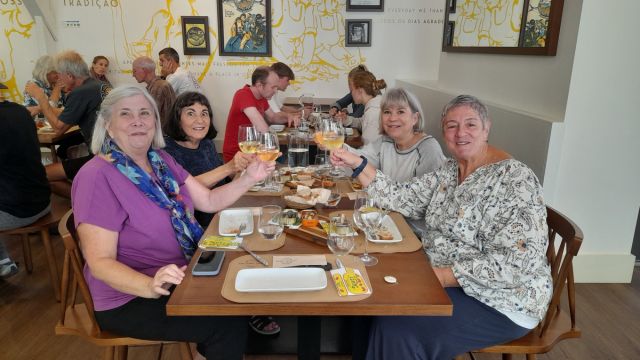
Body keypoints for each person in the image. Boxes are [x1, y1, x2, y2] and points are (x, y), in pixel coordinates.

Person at [331, 95, 552, 359]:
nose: (460, 134)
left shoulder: (516, 179)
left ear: (486, 128)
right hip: (442, 277)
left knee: (397, 329)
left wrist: (441, 277)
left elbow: (518, 263)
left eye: (470, 125)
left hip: (500, 300)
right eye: (451, 126)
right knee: (369, 304)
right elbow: (402, 197)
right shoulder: (449, 170)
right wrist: (356, 163)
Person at [72, 85, 275, 359]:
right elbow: (100, 263)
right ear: (107, 125)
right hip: (130, 297)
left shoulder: (160, 160)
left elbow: (209, 201)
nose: (138, 121)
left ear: (155, 121)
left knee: (238, 290)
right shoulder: (96, 176)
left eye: (145, 113)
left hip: (180, 273)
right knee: (226, 321)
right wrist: (149, 284)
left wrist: (251, 177)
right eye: (126, 114)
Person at [331, 88, 446, 236]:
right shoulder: (386, 141)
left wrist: (354, 160)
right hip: (384, 222)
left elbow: (420, 207)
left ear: (415, 118)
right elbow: (364, 158)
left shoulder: (429, 149)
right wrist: (338, 147)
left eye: (400, 112)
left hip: (413, 234)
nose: (392, 118)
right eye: (387, 112)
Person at [25, 50, 109, 198]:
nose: (58, 79)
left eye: (60, 75)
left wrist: (41, 98)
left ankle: (90, 201)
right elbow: (69, 113)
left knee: (41, 175)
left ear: (70, 75)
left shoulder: (80, 92)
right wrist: (41, 108)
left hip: (103, 158)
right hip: (117, 153)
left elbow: (58, 128)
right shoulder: (98, 85)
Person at [163, 91, 250, 227]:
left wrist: (245, 166)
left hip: (224, 215)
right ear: (177, 119)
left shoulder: (206, 143)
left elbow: (223, 179)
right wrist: (229, 167)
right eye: (191, 113)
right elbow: (182, 189)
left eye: (204, 113)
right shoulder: (166, 151)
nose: (200, 120)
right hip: (196, 226)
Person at [0, 83, 51, 278]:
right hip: (42, 200)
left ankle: (2, 262)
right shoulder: (20, 111)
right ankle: (3, 261)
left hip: (19, 210)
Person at [222, 66, 300, 162]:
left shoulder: (262, 97)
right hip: (237, 156)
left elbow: (273, 117)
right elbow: (262, 128)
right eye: (273, 87)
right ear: (259, 85)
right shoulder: (243, 94)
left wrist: (289, 116)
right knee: (289, 157)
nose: (276, 91)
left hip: (254, 151)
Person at [338, 69, 386, 146]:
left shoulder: (373, 113)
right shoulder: (373, 106)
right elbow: (362, 122)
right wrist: (347, 120)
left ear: (359, 91)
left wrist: (340, 147)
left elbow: (368, 152)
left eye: (352, 90)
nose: (351, 94)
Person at [132, 56, 176, 126]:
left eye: (134, 71)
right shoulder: (158, 85)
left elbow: (150, 115)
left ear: (145, 70)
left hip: (162, 134)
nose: (133, 75)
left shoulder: (158, 87)